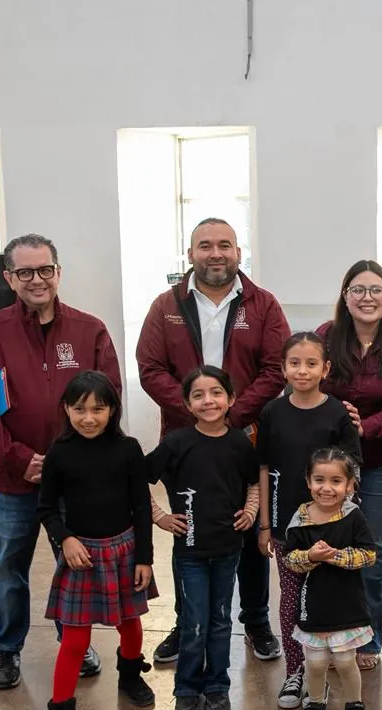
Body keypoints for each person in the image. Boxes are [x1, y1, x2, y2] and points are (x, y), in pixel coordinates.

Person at [0, 233, 123, 691]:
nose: (37, 280)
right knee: (8, 567)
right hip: (13, 481)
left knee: (74, 566)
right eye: (25, 272)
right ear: (10, 278)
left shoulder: (89, 330)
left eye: (45, 269)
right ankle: (7, 648)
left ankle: (74, 641)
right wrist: (18, 459)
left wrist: (73, 463)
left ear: (58, 271)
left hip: (75, 483)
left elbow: (108, 399)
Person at [136, 218, 288, 666]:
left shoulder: (263, 305)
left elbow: (275, 368)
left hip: (246, 437)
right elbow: (150, 369)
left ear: (238, 253)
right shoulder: (165, 306)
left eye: (225, 245)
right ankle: (187, 623)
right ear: (190, 254)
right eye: (205, 246)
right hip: (183, 443)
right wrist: (198, 416)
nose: (215, 253)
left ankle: (256, 622)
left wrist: (230, 416)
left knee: (249, 526)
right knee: (189, 531)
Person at [32, 371, 159, 710]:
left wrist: (144, 557)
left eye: (98, 409)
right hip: (81, 556)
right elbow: (47, 508)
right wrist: (65, 539)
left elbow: (142, 506)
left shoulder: (128, 449)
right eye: (79, 409)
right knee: (73, 641)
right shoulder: (59, 454)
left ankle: (130, 676)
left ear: (112, 410)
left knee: (130, 623)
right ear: (66, 410)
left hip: (123, 551)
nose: (89, 417)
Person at [318, 261, 382, 671]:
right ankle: (327, 629)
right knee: (327, 544)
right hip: (332, 464)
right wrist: (341, 424)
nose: (367, 297)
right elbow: (309, 387)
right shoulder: (326, 338)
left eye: (376, 290)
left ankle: (369, 638)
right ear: (345, 296)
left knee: (372, 548)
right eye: (358, 290)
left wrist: (363, 427)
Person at [145, 366, 260, 710]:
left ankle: (217, 686)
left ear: (231, 399)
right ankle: (187, 687)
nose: (208, 400)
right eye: (198, 395)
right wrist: (160, 516)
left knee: (221, 620)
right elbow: (137, 481)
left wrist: (251, 511)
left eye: (216, 393)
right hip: (190, 554)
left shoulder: (240, 442)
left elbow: (252, 483)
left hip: (228, 550)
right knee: (194, 620)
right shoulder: (176, 444)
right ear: (186, 403)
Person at [256, 332, 362, 710]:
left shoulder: (337, 413)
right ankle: (296, 672)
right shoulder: (272, 412)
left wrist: (343, 524)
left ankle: (326, 667)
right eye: (294, 363)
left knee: (328, 599)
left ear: (325, 369)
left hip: (332, 533)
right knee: (290, 603)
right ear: (283, 368)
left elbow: (351, 470)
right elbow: (264, 469)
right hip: (289, 531)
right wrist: (265, 525)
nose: (302, 371)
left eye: (311, 363)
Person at [283, 448, 377, 710]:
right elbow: (290, 560)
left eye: (336, 481)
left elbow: (369, 555)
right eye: (319, 480)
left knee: (346, 660)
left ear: (349, 485)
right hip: (314, 605)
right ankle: (315, 703)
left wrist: (336, 556)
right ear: (308, 481)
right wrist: (311, 556)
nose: (327, 488)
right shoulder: (299, 520)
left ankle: (354, 704)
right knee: (315, 661)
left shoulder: (353, 516)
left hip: (347, 604)